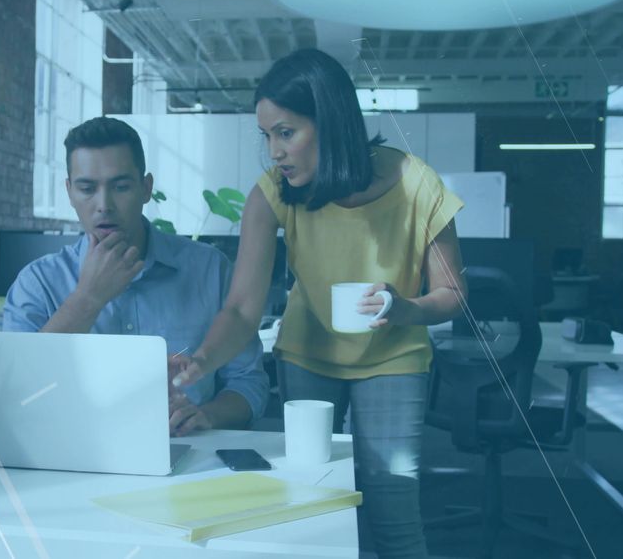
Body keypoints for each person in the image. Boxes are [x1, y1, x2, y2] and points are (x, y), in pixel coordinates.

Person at [170, 49, 466, 558]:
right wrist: (203, 360)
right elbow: (242, 308)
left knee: (392, 503)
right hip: (308, 353)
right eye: (266, 136)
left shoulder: (417, 183)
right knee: (311, 502)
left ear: (329, 121)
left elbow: (453, 292)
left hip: (394, 357)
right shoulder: (273, 194)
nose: (274, 152)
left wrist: (405, 309)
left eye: (286, 133)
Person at [3, 116, 269, 436]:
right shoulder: (37, 283)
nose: (104, 205)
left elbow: (248, 383)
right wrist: (89, 297)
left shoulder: (210, 271)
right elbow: (15, 396)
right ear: (70, 192)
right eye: (87, 188)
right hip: (76, 456)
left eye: (121, 187)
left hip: (188, 456)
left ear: (146, 189)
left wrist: (204, 415)